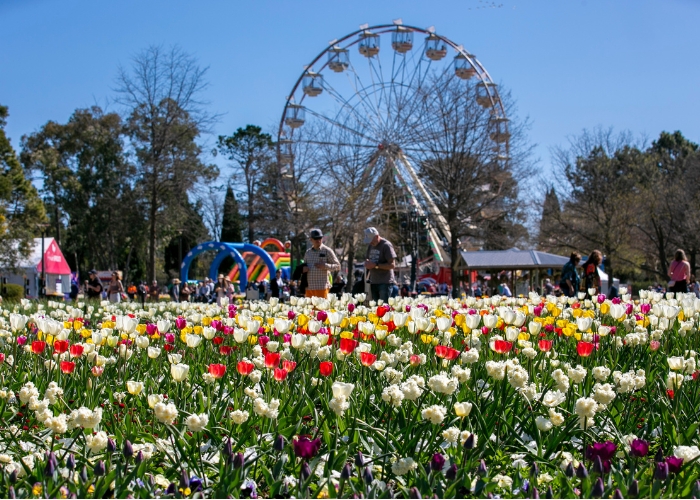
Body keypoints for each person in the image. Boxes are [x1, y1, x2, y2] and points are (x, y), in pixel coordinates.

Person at [303, 228, 340, 299]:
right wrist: (303, 269)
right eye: (316, 238)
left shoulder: (327, 251)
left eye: (320, 238)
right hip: (309, 288)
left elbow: (338, 266)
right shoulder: (308, 252)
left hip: (322, 287)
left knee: (321, 309)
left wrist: (325, 266)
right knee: (309, 310)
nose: (318, 240)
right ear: (311, 239)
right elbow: (303, 266)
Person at [363, 227, 397, 303]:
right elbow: (368, 259)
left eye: (371, 240)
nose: (370, 243)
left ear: (377, 236)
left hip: (385, 283)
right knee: (376, 309)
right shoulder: (370, 246)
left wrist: (376, 265)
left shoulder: (386, 245)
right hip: (373, 281)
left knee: (384, 308)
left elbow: (392, 265)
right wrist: (367, 263)